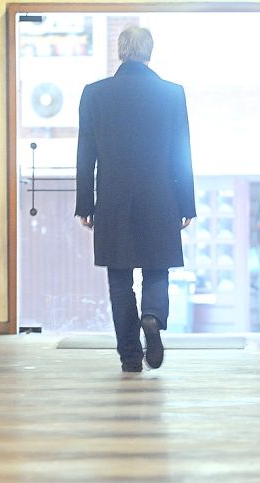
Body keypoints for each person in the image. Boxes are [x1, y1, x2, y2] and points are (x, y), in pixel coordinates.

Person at [74, 26, 196, 373]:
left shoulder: (95, 94)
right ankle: (153, 317)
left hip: (113, 198)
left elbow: (86, 154)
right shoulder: (172, 94)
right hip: (161, 196)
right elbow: (181, 153)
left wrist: (85, 204)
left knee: (119, 279)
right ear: (150, 52)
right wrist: (186, 203)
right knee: (157, 268)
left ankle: (130, 356)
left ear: (120, 51)